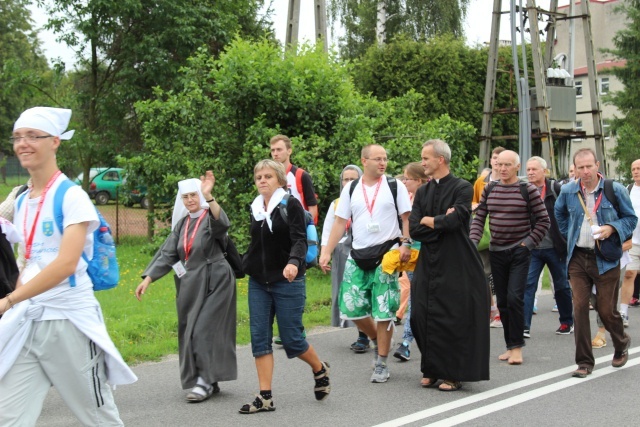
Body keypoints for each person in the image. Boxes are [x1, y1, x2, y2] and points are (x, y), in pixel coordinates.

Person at [0, 107, 136, 426]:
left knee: (98, 418)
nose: (24, 143)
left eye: (34, 136)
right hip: (29, 320)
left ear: (55, 142)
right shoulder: (21, 200)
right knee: (8, 416)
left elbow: (65, 264)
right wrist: (17, 299)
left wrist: (8, 301)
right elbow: (28, 259)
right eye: (19, 136)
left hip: (68, 322)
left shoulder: (71, 196)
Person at [135, 173, 237, 403]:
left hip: (216, 280)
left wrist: (209, 197)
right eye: (186, 197)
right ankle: (209, 378)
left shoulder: (210, 218)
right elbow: (168, 254)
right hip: (191, 282)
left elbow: (223, 224)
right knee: (191, 330)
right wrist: (148, 279)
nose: (190, 200)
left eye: (194, 195)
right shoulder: (182, 224)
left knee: (202, 329)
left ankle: (203, 382)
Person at [240, 159, 330, 414]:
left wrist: (293, 262)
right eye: (259, 177)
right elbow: (257, 244)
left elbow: (299, 241)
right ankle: (265, 397)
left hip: (288, 280)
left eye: (268, 176)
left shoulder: (290, 204)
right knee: (260, 339)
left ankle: (319, 368)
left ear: (280, 179)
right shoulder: (256, 207)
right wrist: (243, 264)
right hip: (259, 281)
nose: (263, 181)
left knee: (292, 340)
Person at [320, 144, 412, 383]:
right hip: (358, 253)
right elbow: (340, 222)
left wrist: (406, 244)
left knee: (384, 311)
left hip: (387, 253)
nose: (383, 163)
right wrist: (327, 251)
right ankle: (376, 338)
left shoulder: (395, 185)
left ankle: (381, 362)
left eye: (385, 159)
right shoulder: (351, 189)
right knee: (350, 307)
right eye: (377, 159)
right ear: (364, 161)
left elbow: (406, 218)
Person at [409, 140, 490, 391]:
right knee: (421, 314)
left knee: (452, 315)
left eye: (426, 158)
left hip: (456, 260)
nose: (422, 163)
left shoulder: (462, 187)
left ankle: (453, 374)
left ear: (440, 160)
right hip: (428, 261)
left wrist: (430, 221)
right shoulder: (423, 192)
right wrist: (440, 221)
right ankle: (431, 368)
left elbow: (459, 222)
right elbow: (414, 228)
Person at [555, 148, 635, 378]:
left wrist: (612, 228)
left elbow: (631, 219)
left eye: (589, 166)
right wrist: (569, 235)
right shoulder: (569, 190)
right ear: (575, 169)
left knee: (606, 310)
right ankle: (584, 362)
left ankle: (621, 343)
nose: (585, 171)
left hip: (606, 258)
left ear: (597, 165)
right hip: (578, 257)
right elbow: (559, 214)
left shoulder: (614, 189)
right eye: (580, 167)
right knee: (579, 308)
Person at [470, 150, 550, 365]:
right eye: (499, 165)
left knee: (515, 298)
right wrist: (472, 242)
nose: (502, 168)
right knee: (503, 301)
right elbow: (480, 218)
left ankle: (517, 348)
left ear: (517, 167)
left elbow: (544, 221)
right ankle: (509, 345)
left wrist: (527, 244)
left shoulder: (528, 190)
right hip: (497, 252)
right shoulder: (490, 189)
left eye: (507, 165)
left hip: (519, 252)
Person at [321, 165, 370, 352]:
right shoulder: (337, 203)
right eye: (345, 179)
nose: (349, 183)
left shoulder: (366, 200)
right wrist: (325, 253)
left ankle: (366, 334)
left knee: (363, 291)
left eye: (353, 179)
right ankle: (362, 333)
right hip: (342, 252)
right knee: (348, 292)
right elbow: (328, 231)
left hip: (364, 251)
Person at [523, 156, 574, 338]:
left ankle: (567, 322)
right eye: (528, 169)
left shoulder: (555, 189)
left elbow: (569, 213)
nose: (530, 173)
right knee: (528, 286)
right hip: (533, 248)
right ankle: (524, 326)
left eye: (534, 169)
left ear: (544, 171)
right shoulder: (524, 190)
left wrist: (566, 237)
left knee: (561, 286)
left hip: (556, 247)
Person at [393, 162, 429, 362]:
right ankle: (406, 342)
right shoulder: (406, 199)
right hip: (411, 256)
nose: (404, 181)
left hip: (430, 254)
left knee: (426, 300)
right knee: (416, 298)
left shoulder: (429, 199)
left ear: (419, 180)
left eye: (407, 178)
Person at [472, 146, 506, 329]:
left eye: (500, 159)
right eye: (494, 158)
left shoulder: (509, 180)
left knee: (499, 274)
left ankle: (501, 310)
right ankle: (490, 308)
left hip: (502, 234)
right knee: (484, 273)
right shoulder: (481, 182)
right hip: (485, 234)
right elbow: (475, 204)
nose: (496, 161)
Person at [270, 134, 319, 222]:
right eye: (273, 150)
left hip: (297, 227)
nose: (275, 154)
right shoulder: (268, 177)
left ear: (289, 151)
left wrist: (304, 226)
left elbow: (313, 207)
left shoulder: (301, 175)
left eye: (279, 150)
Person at [618, 158, 640, 327]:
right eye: (633, 168)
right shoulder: (628, 189)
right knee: (629, 274)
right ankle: (623, 312)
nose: (635, 171)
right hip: (633, 241)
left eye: (638, 168)